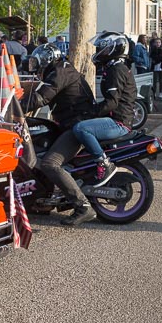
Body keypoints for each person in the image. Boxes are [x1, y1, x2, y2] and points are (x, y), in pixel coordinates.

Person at [21, 43, 98, 225]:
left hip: (77, 126)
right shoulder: (59, 70)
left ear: (47, 59)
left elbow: (42, 97)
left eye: (36, 61)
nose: (35, 65)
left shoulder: (60, 71)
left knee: (49, 163)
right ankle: (42, 200)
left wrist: (16, 107)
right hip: (69, 123)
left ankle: (83, 207)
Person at [72, 32, 136, 185]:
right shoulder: (116, 67)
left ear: (114, 49)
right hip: (119, 119)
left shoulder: (116, 70)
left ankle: (103, 163)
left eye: (103, 48)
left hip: (118, 122)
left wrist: (90, 112)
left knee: (81, 129)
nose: (100, 51)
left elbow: (112, 103)